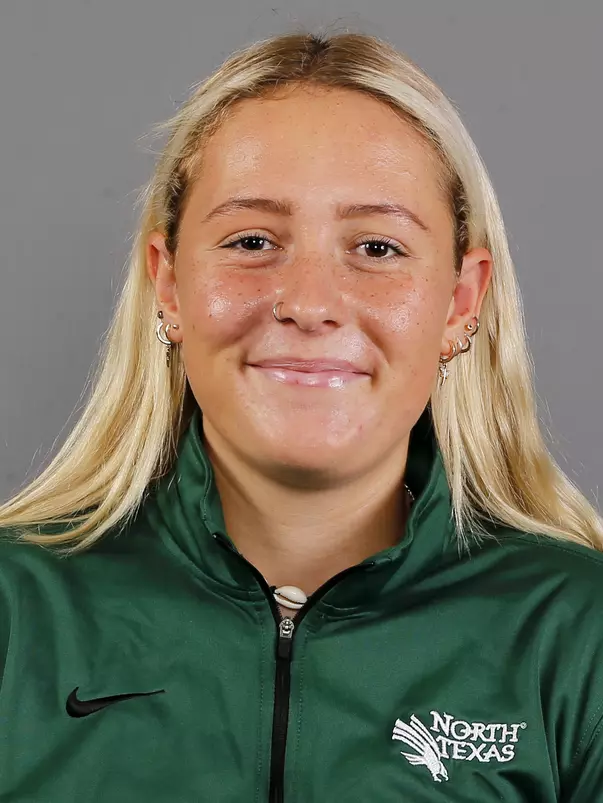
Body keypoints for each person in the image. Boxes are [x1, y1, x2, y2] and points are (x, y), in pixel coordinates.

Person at [0, 30, 601, 803]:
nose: (309, 301)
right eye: (252, 240)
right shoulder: (17, 610)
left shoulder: (575, 634)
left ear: (460, 302)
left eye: (377, 247)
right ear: (169, 286)